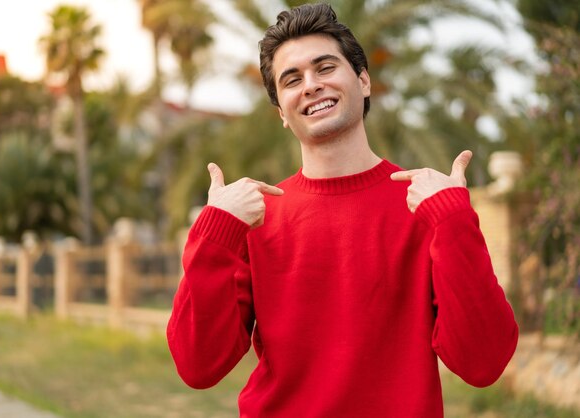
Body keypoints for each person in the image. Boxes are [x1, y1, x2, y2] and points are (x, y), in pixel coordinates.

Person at [167, 3, 518, 417]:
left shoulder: (426, 209)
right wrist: (214, 233)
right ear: (281, 111)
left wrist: (454, 220)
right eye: (292, 79)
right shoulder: (255, 219)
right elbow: (198, 366)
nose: (311, 85)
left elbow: (484, 363)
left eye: (325, 67)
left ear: (364, 81)